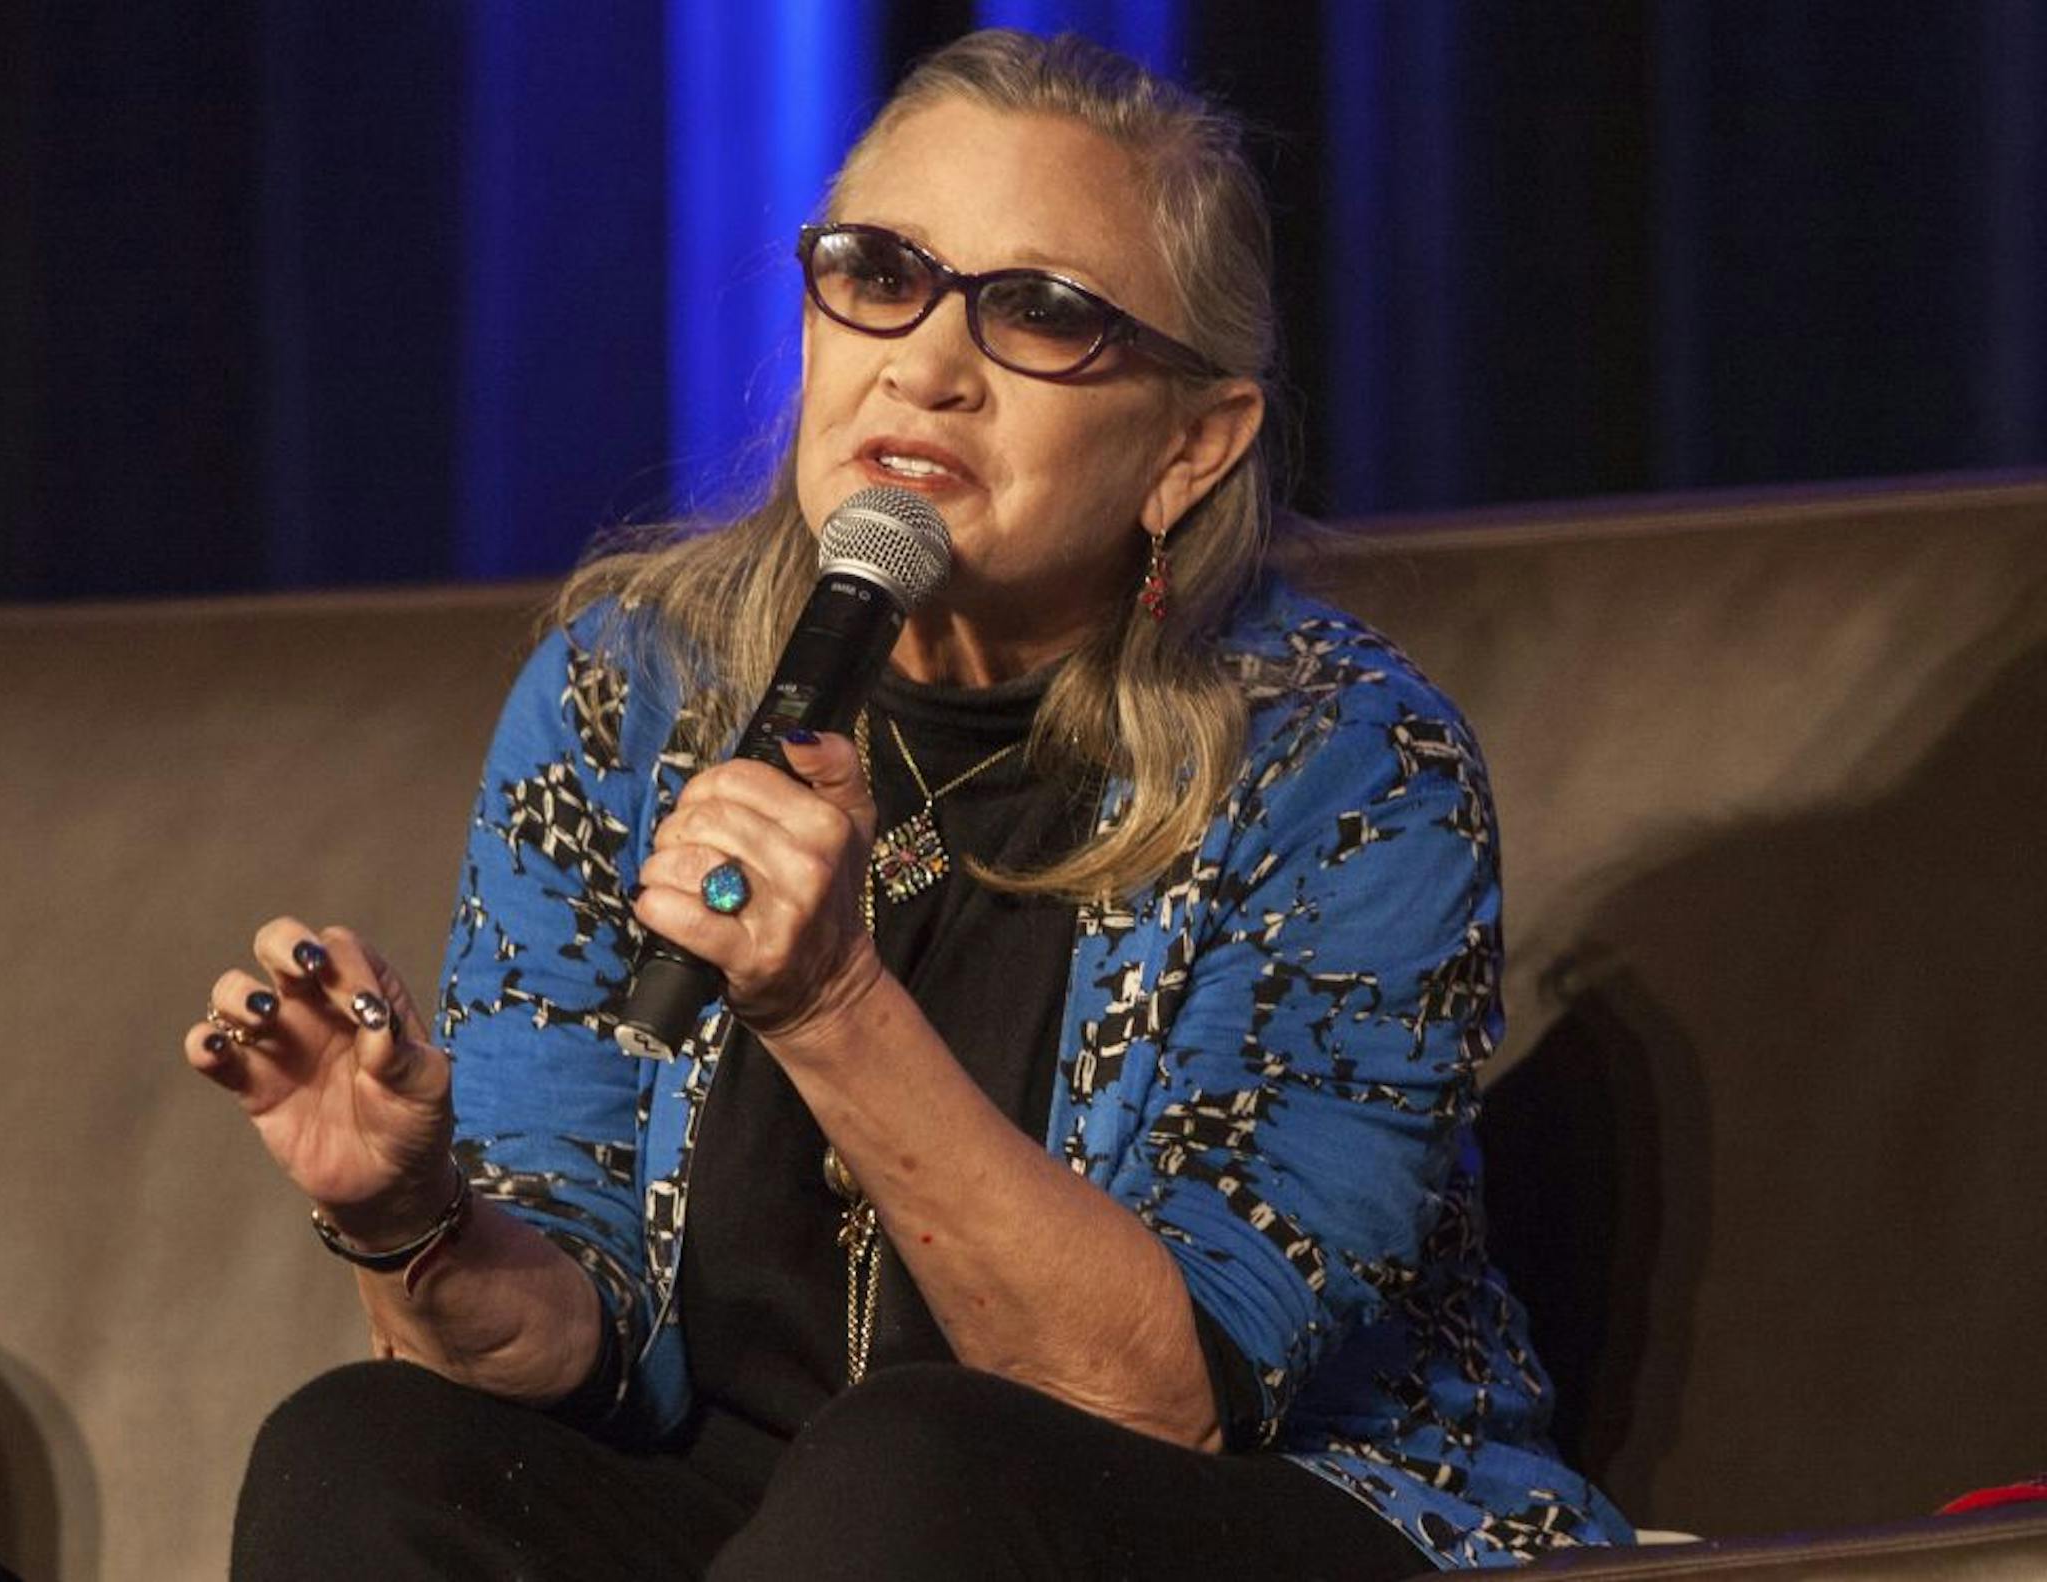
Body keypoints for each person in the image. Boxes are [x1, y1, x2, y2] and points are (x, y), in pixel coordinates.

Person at [189, 28, 1633, 1579]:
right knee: (362, 1452)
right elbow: (563, 1341)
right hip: (769, 1518)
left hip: (1240, 1518)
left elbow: (1158, 1390)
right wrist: (411, 1224)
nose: (926, 365)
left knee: (912, 1466)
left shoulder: (1346, 768)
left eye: (1040, 315)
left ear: (1191, 446)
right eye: (881, 274)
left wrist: (828, 1002)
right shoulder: (626, 699)